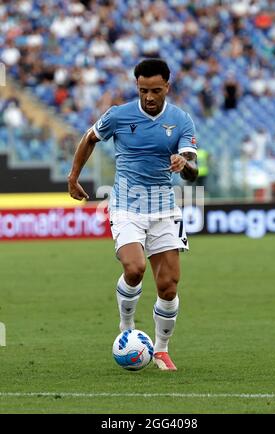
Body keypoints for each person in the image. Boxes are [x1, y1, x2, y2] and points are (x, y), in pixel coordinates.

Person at [68, 58, 198, 371]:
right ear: (136, 87)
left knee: (168, 286)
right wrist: (73, 176)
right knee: (135, 267)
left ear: (167, 86)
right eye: (142, 90)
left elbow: (193, 169)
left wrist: (185, 164)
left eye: (155, 90)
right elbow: (89, 139)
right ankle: (126, 328)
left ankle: (162, 349)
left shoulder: (181, 120)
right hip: (127, 205)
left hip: (164, 208)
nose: (149, 97)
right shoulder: (118, 115)